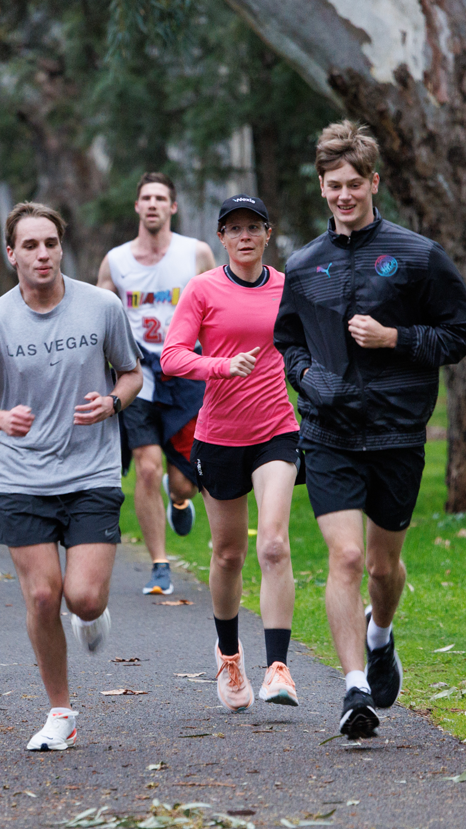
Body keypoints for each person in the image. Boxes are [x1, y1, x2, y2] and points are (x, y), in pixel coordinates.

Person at [275, 120, 466, 739]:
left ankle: (381, 633)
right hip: (330, 433)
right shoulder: (304, 265)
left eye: (353, 184)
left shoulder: (417, 256)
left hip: (396, 433)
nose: (343, 195)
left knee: (385, 568)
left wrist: (395, 338)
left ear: (373, 183)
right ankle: (354, 688)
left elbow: (459, 333)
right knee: (348, 555)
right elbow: (288, 341)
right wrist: (310, 380)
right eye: (333, 185)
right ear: (321, 188)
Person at [0, 202, 142, 752]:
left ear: (61, 246)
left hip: (92, 471)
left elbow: (132, 373)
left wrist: (113, 404)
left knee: (84, 597)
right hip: (21, 477)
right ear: (11, 254)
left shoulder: (100, 307)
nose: (42, 253)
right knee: (44, 596)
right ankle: (61, 712)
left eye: (50, 242)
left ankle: (90, 613)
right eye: (30, 245)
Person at [161, 194, 302, 712]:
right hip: (219, 436)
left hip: (276, 431)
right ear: (221, 238)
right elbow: (172, 357)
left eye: (254, 227)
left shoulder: (289, 288)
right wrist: (219, 366)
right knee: (227, 553)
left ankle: (279, 669)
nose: (244, 236)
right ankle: (228, 654)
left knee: (273, 544)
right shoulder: (203, 289)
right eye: (234, 228)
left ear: (268, 234)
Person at [97, 172, 216, 596]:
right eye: (145, 197)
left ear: (172, 207)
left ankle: (179, 497)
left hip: (186, 375)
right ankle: (160, 565)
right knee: (146, 467)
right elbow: (102, 320)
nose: (152, 204)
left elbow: (218, 304)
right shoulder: (116, 261)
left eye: (160, 198)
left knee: (184, 479)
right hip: (139, 378)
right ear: (136, 206)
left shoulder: (195, 253)